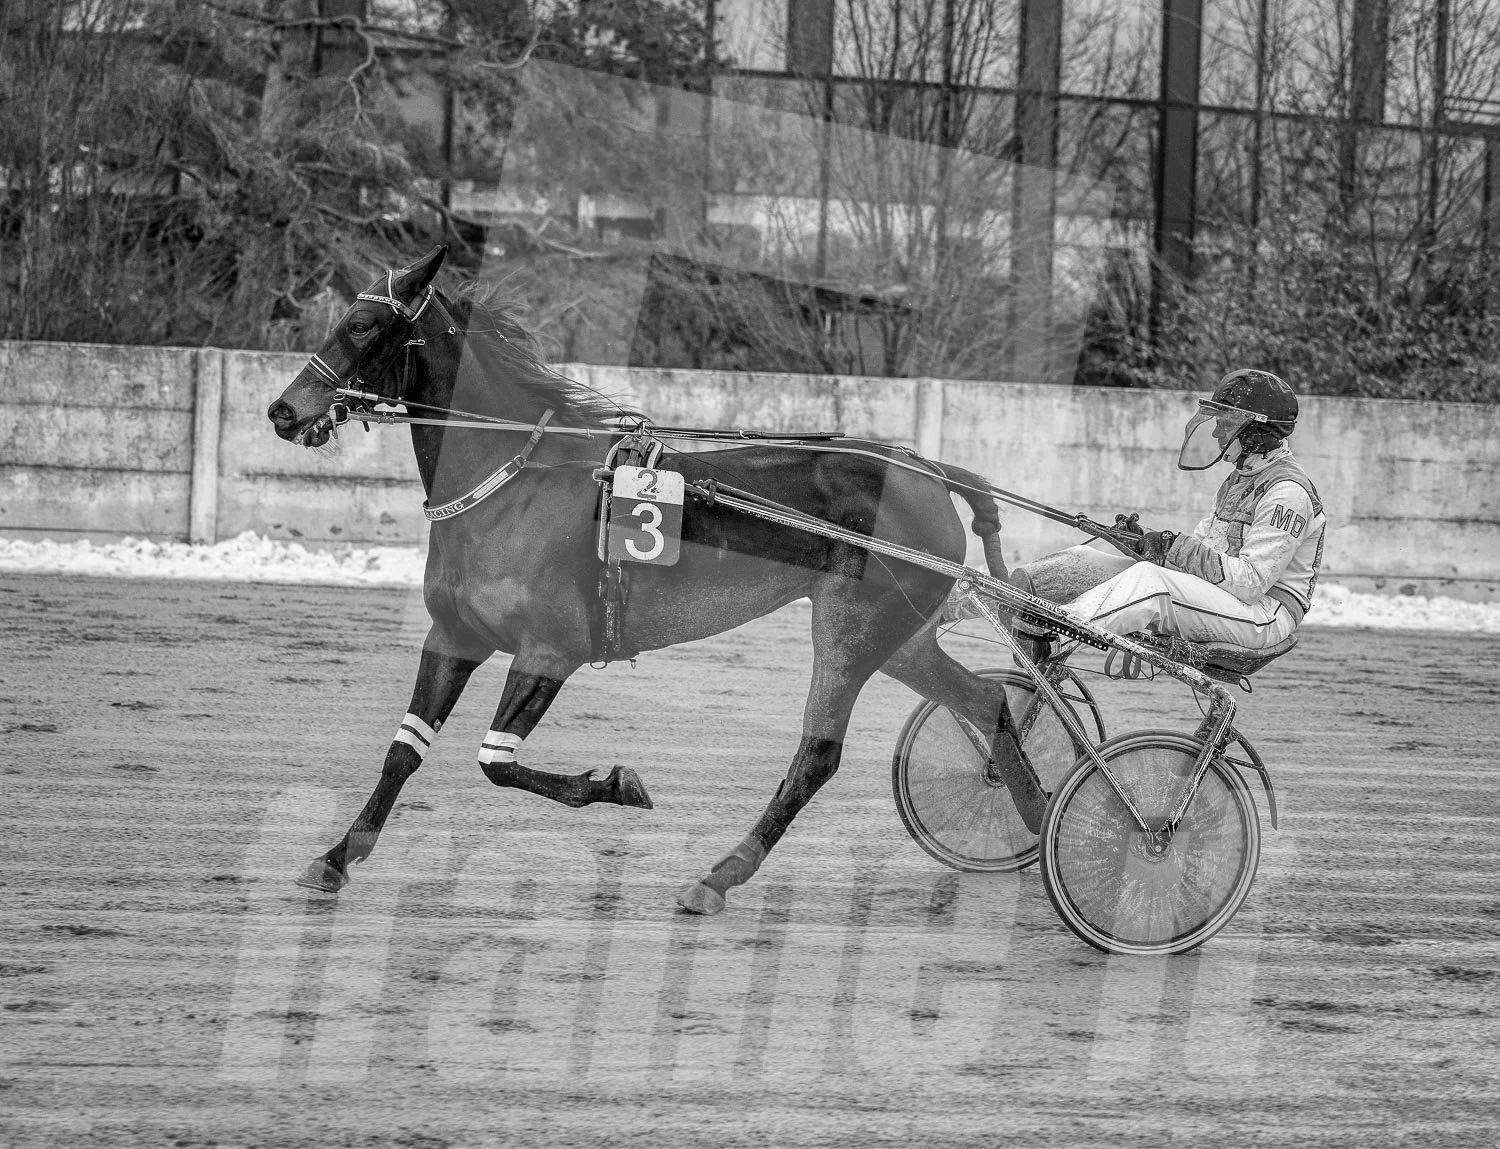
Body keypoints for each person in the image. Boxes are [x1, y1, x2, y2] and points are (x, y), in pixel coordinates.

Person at [1009, 369, 1326, 664]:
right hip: (1234, 601)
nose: (1216, 431)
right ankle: (1019, 595)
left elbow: (1249, 583)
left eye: (1226, 423)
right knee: (1092, 558)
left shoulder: (1287, 492)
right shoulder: (1240, 479)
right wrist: (1145, 542)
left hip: (1264, 614)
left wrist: (1173, 548)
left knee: (1152, 584)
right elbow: (1204, 549)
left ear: (1257, 433)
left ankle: (1055, 636)